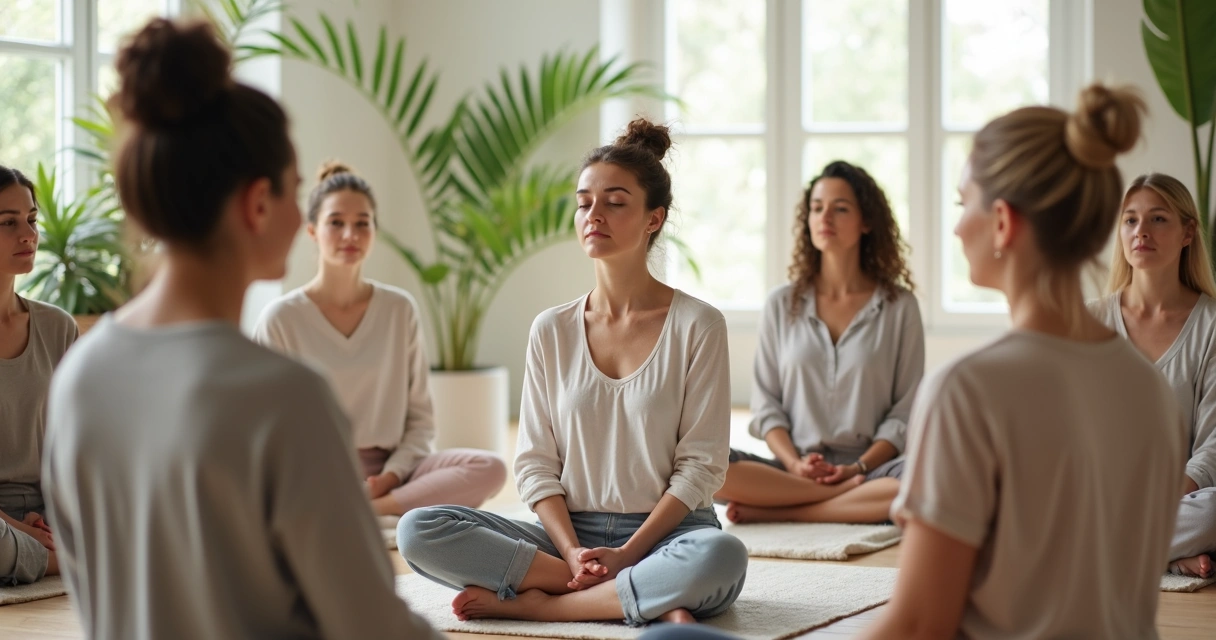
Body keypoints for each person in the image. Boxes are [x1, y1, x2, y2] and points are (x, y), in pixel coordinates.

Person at [40, 18, 440, 639]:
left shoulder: (79, 376)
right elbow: (372, 628)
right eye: (295, 189)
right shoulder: (284, 396)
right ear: (259, 204)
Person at [860, 84, 1184, 639]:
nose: (959, 227)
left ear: (1004, 222)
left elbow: (917, 626)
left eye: (965, 205)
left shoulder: (969, 389)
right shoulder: (1148, 388)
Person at [396, 118, 748, 626]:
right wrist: (570, 552)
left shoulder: (699, 324)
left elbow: (702, 468)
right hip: (567, 538)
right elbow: (536, 464)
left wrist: (628, 554)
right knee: (418, 530)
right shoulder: (551, 329)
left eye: (615, 202)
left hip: (669, 535)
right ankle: (621, 595)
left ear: (654, 218)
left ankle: (547, 605)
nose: (594, 214)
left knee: (721, 557)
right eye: (584, 202)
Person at [255, 161, 506, 517]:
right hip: (313, 475)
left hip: (395, 473)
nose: (350, 236)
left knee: (490, 468)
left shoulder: (398, 310)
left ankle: (369, 512)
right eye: (336, 223)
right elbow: (272, 432)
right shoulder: (281, 319)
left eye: (362, 224)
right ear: (312, 231)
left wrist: (390, 476)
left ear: (375, 230)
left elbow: (420, 422)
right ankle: (385, 513)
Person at [717, 160, 921, 525]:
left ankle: (786, 511)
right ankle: (836, 499)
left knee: (922, 479)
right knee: (706, 464)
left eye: (840, 208)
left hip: (870, 467)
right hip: (792, 468)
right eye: (816, 207)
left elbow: (904, 414)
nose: (824, 217)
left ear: (867, 222)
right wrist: (796, 464)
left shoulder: (899, 306)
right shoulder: (782, 303)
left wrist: (858, 467)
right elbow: (767, 406)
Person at [1088, 172, 1216, 578]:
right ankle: (1163, 556)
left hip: (1177, 499)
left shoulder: (1211, 324)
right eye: (1130, 220)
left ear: (1187, 232)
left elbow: (1213, 445)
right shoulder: (1089, 320)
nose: (1141, 231)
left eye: (1158, 219)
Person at [0, 164, 75, 585]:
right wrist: (18, 527)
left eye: (30, 219)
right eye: (8, 223)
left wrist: (52, 518)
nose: (27, 234)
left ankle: (45, 555)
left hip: (53, 508)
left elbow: (81, 443)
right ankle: (62, 561)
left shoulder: (58, 327)